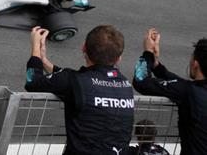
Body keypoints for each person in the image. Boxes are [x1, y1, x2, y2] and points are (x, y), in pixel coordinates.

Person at [25, 25, 134, 155]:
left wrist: (36, 48)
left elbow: (32, 81)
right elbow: (77, 78)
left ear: (84, 48)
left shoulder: (74, 81)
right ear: (119, 58)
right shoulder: (125, 84)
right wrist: (44, 61)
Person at [132, 28, 207, 155]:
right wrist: (156, 65)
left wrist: (147, 53)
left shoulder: (188, 91)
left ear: (195, 64)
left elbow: (140, 81)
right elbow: (180, 82)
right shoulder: (191, 89)